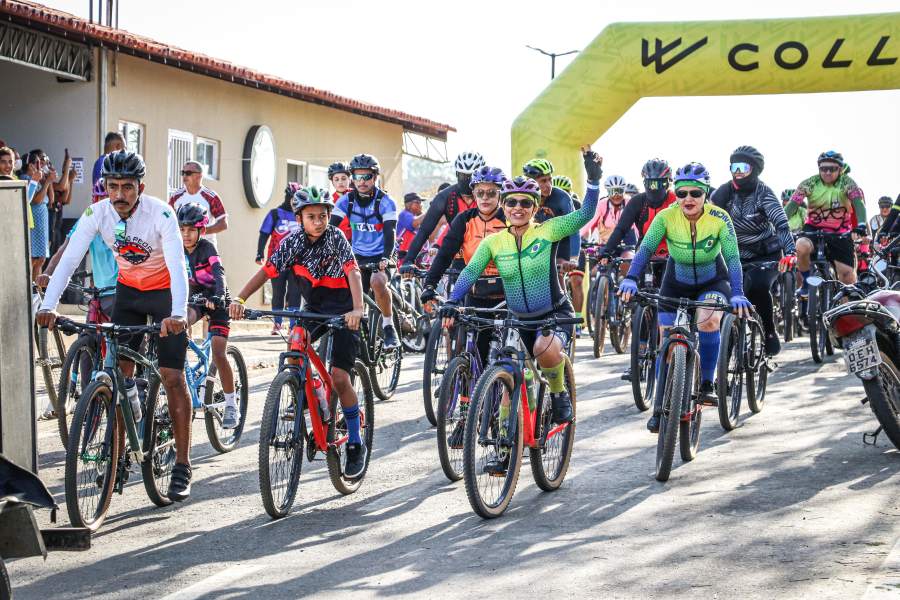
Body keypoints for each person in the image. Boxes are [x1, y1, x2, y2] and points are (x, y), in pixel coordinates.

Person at [36, 150, 193, 501]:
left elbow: (178, 266)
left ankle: (182, 463)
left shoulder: (161, 214)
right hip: (129, 293)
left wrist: (179, 314)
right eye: (112, 186)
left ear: (140, 186)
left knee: (171, 376)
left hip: (166, 294)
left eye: (127, 187)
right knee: (120, 376)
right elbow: (70, 259)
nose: (119, 194)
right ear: (104, 186)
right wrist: (48, 306)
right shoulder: (98, 213)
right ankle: (117, 454)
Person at [443, 148, 603, 452]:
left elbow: (584, 215)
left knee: (544, 349)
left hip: (553, 314)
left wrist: (594, 180)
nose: (518, 207)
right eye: (512, 202)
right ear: (503, 206)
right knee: (509, 378)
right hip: (517, 318)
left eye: (526, 203)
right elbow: (470, 272)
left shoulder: (549, 231)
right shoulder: (494, 242)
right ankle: (504, 448)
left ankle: (558, 393)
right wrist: (452, 300)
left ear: (535, 207)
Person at [229, 186, 368, 477]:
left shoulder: (336, 237)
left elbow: (353, 272)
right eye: (311, 216)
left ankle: (355, 442)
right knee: (295, 347)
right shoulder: (292, 243)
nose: (318, 221)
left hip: (344, 308)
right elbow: (267, 271)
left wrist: (357, 309)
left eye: (323, 215)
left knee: (341, 378)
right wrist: (240, 299)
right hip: (314, 306)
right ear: (300, 218)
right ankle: (302, 391)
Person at [618, 162, 748, 433]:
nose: (688, 199)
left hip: (713, 280)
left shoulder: (720, 218)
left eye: (695, 193)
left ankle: (707, 384)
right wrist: (631, 277)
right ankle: (658, 408)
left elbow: (733, 259)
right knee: (667, 338)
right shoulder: (665, 217)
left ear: (706, 194)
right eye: (681, 193)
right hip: (675, 282)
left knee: (708, 321)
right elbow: (645, 249)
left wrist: (737, 293)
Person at [711, 146, 795, 356]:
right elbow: (707, 219)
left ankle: (769, 331)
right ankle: (727, 341)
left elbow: (782, 225)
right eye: (734, 166)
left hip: (765, 256)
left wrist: (791, 253)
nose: (737, 171)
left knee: (757, 286)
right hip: (732, 255)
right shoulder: (723, 192)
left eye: (743, 167)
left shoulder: (764, 193)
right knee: (722, 293)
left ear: (755, 170)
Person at [177, 203, 240, 428]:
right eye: (182, 229)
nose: (186, 234)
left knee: (218, 352)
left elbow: (218, 274)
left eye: (191, 230)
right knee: (179, 321)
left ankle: (232, 403)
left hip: (216, 298)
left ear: (201, 231)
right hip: (195, 299)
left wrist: (219, 296)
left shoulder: (207, 249)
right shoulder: (178, 249)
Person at [330, 153, 400, 349]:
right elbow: (331, 229)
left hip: (383, 252)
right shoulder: (345, 201)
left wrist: (386, 257)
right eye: (357, 177)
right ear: (352, 177)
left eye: (367, 177)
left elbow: (390, 232)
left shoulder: (386, 201)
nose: (361, 182)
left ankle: (388, 325)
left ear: (375, 177)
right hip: (358, 253)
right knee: (343, 288)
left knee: (377, 282)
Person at [785, 150, 867, 289]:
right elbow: (792, 206)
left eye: (832, 169)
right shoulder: (809, 183)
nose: (827, 172)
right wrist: (779, 223)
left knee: (847, 277)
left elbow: (859, 204)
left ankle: (844, 309)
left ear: (840, 169)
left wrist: (861, 225)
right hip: (813, 229)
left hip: (840, 232)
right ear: (819, 168)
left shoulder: (847, 183)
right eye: (823, 168)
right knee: (800, 246)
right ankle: (805, 282)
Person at [400, 151, 485, 267]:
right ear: (456, 174)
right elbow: (424, 230)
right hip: (459, 256)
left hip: (486, 256)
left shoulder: (490, 196)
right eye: (463, 176)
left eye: (472, 176)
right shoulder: (445, 197)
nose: (467, 180)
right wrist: (409, 260)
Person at [256, 183, 303, 335]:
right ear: (287, 196)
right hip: (277, 261)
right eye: (292, 198)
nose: (294, 202)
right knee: (278, 292)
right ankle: (277, 324)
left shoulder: (302, 215)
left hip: (297, 262)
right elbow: (264, 233)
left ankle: (293, 326)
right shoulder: (275, 213)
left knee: (295, 293)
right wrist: (259, 253)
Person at [169, 160, 228, 246]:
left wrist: (201, 232)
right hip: (182, 248)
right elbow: (167, 218)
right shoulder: (176, 196)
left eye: (188, 173)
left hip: (205, 248)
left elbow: (223, 224)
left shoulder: (211, 197)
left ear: (199, 175)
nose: (185, 176)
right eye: (183, 173)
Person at [20, 150, 55, 282]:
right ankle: (31, 289)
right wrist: (45, 182)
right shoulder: (26, 178)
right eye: (38, 163)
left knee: (41, 258)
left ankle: (36, 291)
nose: (41, 166)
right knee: (34, 259)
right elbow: (36, 200)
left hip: (42, 219)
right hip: (34, 220)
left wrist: (48, 180)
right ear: (30, 165)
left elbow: (51, 199)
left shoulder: (38, 179)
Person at [49, 149, 74, 254]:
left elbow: (66, 199)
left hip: (57, 229)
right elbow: (61, 187)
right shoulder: (49, 185)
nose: (51, 167)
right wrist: (67, 169)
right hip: (50, 230)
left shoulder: (53, 184)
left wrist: (70, 180)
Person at [397, 192, 426, 262]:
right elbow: (414, 223)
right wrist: (429, 212)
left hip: (413, 257)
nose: (421, 205)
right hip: (402, 257)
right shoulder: (404, 214)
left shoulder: (416, 217)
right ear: (408, 205)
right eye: (418, 202)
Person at [328, 161, 353, 240]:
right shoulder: (329, 201)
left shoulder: (357, 195)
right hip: (339, 241)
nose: (340, 182)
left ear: (349, 179)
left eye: (343, 178)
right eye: (336, 179)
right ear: (332, 182)